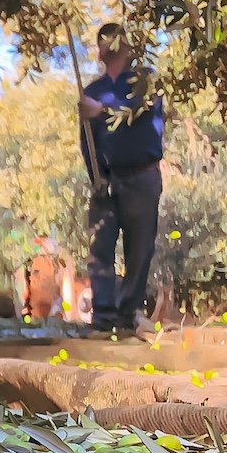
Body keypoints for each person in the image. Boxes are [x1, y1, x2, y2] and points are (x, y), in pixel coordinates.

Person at [76, 20, 164, 336]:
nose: (109, 46)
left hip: (142, 177)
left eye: (115, 40)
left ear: (127, 47)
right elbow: (87, 140)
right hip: (106, 181)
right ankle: (103, 315)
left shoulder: (145, 80)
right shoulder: (91, 91)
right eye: (103, 40)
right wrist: (94, 176)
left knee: (139, 249)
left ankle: (129, 313)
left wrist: (101, 110)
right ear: (99, 49)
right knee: (99, 248)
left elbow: (139, 110)